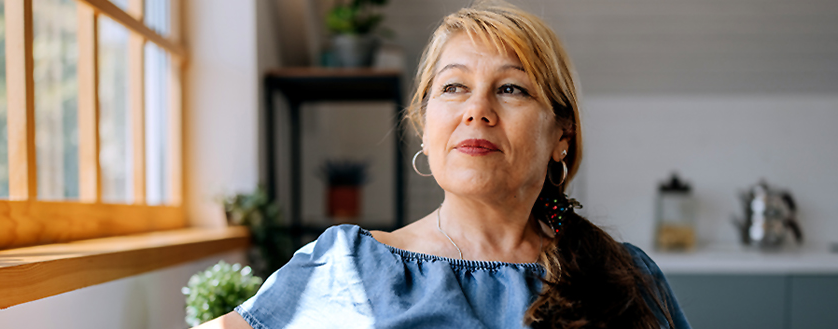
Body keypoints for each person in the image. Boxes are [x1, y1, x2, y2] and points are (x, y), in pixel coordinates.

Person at [197, 1, 691, 328]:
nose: (476, 110)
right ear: (423, 126)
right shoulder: (348, 266)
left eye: (511, 88)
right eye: (453, 87)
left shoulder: (626, 276)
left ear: (563, 134)